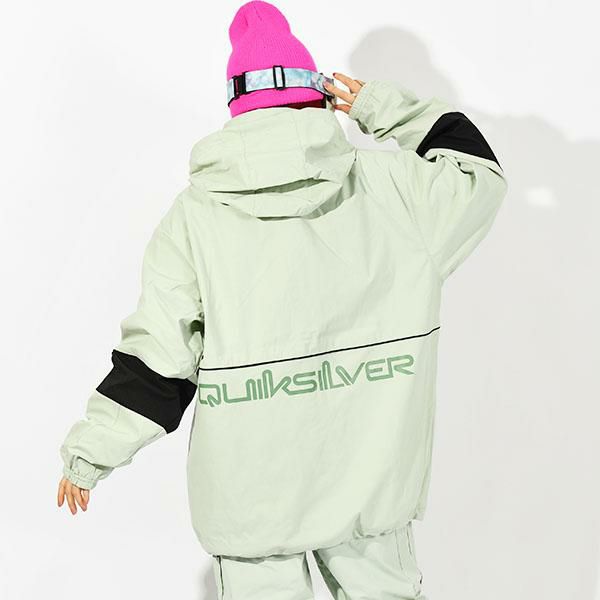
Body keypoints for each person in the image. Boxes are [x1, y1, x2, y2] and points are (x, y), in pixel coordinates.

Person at [57, 1, 508, 598]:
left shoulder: (193, 218)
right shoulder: (396, 191)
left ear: (238, 108)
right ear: (317, 95)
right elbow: (477, 174)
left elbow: (159, 362)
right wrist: (382, 108)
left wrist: (90, 454)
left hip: (251, 504)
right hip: (372, 488)